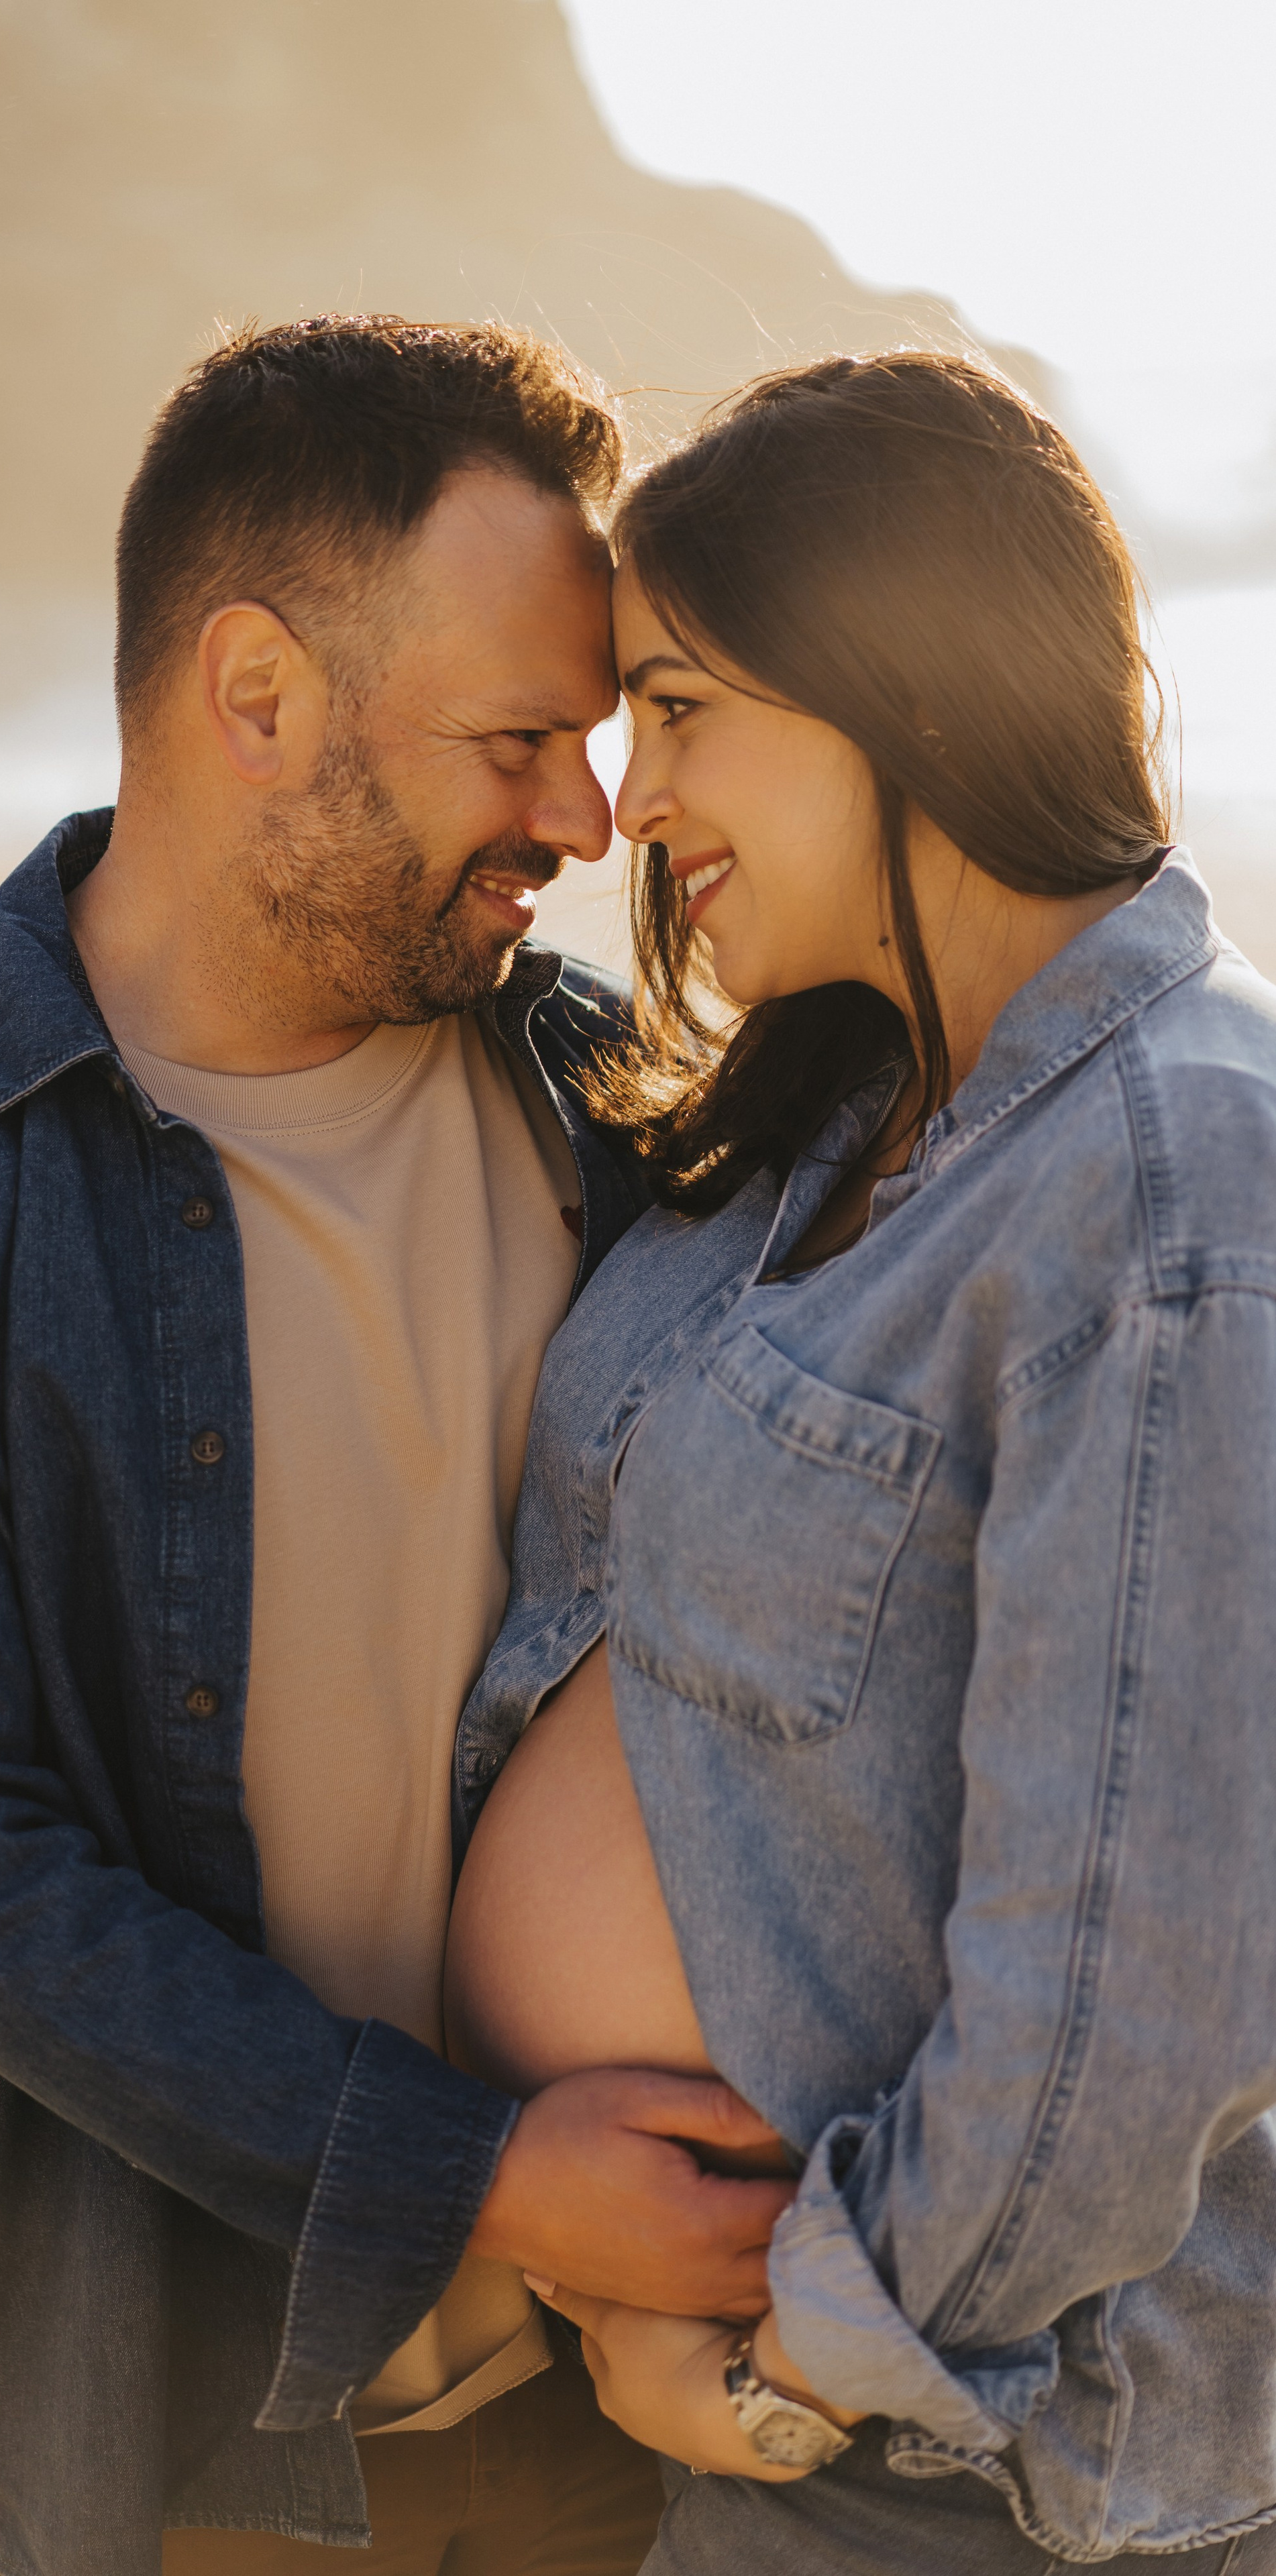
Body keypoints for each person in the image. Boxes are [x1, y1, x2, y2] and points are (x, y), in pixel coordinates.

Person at [0, 315, 795, 2576]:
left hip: (673, 2409)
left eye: (600, 738)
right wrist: (464, 2178)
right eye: (517, 742)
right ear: (258, 696)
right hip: (187, 2458)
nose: (586, 821)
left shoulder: (639, 1117)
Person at [443, 352, 1276, 2571]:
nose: (632, 805)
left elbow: (1136, 1981)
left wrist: (783, 2362)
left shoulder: (1175, 1173)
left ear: (893, 685)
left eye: (683, 707)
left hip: (963, 2473)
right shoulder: (842, 1118)